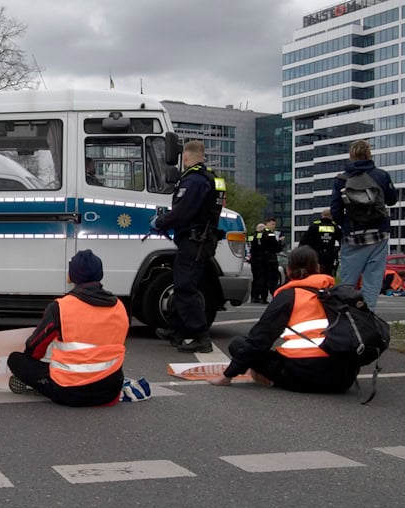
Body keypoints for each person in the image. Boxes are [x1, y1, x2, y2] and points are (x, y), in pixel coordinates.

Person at [207, 246, 359, 393]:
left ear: (289, 270)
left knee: (238, 344)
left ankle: (271, 379)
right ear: (318, 268)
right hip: (342, 378)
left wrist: (227, 375)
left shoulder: (289, 296)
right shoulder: (337, 294)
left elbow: (259, 339)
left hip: (304, 373)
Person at [6, 249, 126, 407]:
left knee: (15, 360)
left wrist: (32, 363)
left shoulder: (60, 307)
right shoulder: (119, 307)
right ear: (100, 274)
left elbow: (34, 347)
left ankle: (39, 384)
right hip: (110, 392)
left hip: (70, 392)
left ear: (71, 276)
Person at [152, 140, 224, 353]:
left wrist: (160, 222)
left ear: (185, 157)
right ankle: (177, 330)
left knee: (185, 287)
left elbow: (183, 212)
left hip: (194, 240)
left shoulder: (193, 180)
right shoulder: (212, 177)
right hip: (201, 239)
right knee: (183, 283)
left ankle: (201, 336)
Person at [331, 139, 398, 309]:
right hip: (379, 233)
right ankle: (369, 318)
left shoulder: (341, 179)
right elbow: (391, 201)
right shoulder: (381, 175)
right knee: (373, 279)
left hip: (353, 235)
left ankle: (346, 315)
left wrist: (346, 226)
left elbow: (336, 210)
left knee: (347, 280)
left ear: (351, 156)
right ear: (369, 154)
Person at [298, 209, 342, 276]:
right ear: (331, 216)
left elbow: (304, 240)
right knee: (327, 275)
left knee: (315, 274)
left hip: (315, 255)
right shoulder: (334, 227)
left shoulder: (315, 226)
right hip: (329, 256)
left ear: (322, 215)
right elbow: (342, 240)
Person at [262, 217, 284, 294]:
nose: (273, 226)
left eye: (274, 224)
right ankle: (273, 293)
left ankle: (262, 296)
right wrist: (280, 241)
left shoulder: (260, 233)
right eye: (272, 224)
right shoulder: (270, 234)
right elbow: (277, 247)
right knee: (272, 279)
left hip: (262, 259)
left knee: (263, 278)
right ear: (267, 224)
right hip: (271, 259)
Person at [248, 223, 267, 303]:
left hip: (254, 260)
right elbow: (259, 243)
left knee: (256, 279)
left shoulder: (251, 235)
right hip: (259, 260)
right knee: (260, 279)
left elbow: (249, 242)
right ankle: (257, 296)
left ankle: (254, 296)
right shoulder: (258, 236)